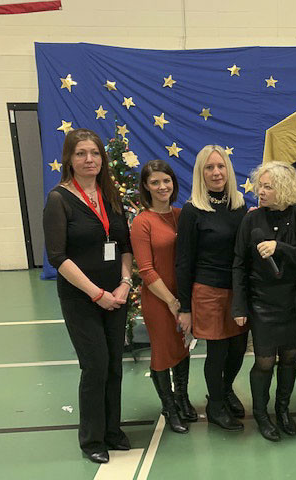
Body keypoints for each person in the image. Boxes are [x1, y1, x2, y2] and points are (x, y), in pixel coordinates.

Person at [42, 129, 132, 464]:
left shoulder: (111, 196)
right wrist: (97, 294)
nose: (89, 159)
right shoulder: (59, 199)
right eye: (81, 153)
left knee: (114, 365)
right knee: (95, 366)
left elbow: (124, 246)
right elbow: (57, 257)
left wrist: (124, 284)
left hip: (116, 295)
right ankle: (92, 438)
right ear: (69, 158)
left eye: (94, 153)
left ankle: (112, 430)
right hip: (82, 298)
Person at [232, 161, 296, 442]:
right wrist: (239, 306)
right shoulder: (251, 220)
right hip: (262, 302)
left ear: (284, 189)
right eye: (260, 186)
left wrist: (279, 247)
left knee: (290, 357)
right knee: (265, 361)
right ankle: (261, 414)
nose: (261, 191)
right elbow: (239, 264)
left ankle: (283, 410)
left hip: (293, 301)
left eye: (268, 187)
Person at [175, 145, 248, 431]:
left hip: (238, 290)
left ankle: (226, 390)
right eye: (209, 167)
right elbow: (183, 261)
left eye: (220, 166)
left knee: (239, 349)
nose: (216, 172)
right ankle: (215, 405)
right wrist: (184, 307)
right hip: (208, 291)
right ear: (200, 173)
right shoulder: (192, 210)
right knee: (218, 352)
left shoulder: (239, 206)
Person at [130, 160, 189, 434]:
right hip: (159, 299)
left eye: (166, 181)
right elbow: (146, 270)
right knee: (163, 352)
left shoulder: (182, 215)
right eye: (155, 182)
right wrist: (171, 302)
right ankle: (169, 408)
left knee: (183, 347)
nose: (162, 186)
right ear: (146, 186)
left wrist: (184, 299)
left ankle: (183, 399)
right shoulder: (142, 222)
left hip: (183, 297)